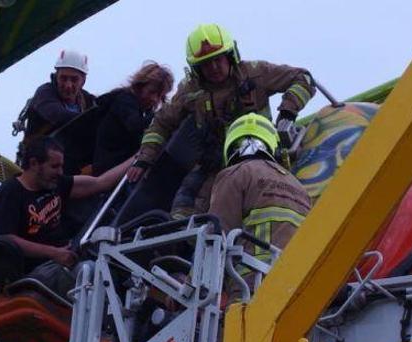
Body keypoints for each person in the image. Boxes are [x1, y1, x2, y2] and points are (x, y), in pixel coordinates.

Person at [126, 23, 315, 218]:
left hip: (258, 156)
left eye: (218, 59)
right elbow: (161, 123)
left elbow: (304, 79)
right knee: (183, 208)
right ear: (196, 68)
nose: (214, 67)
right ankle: (182, 245)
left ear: (231, 55)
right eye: (206, 64)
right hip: (212, 165)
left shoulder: (254, 73)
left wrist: (287, 114)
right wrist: (144, 159)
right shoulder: (191, 90)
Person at [0, 136, 131, 296]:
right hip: (37, 272)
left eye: (61, 166)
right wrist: (54, 253)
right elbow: (7, 238)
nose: (60, 172)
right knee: (91, 271)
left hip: (66, 256)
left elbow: (100, 183)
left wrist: (140, 156)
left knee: (119, 257)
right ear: (34, 164)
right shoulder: (11, 192)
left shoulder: (55, 184)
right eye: (54, 166)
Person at [208, 113, 311, 296]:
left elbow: (216, 234)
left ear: (231, 144)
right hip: (298, 286)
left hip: (253, 284)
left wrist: (195, 285)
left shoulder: (235, 173)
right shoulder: (300, 187)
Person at [93, 62, 174, 176]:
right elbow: (134, 126)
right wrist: (161, 116)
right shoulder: (124, 100)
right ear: (140, 86)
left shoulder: (144, 111)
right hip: (108, 168)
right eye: (151, 92)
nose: (155, 99)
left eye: (160, 96)